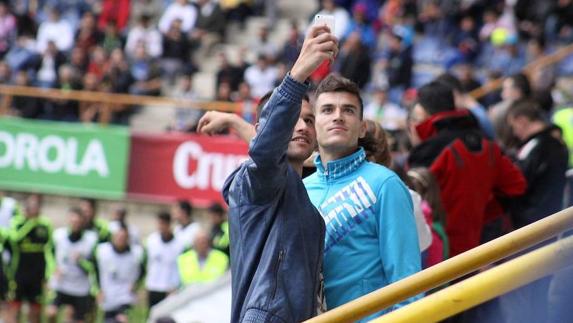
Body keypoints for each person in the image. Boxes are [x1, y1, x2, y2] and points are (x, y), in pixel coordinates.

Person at [212, 25, 338, 322]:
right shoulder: (254, 181)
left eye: (309, 120)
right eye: (293, 118)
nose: (303, 126)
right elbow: (266, 150)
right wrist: (297, 76)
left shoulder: (299, 195)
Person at [303, 74, 421, 320]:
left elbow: (407, 280)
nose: (338, 116)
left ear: (362, 127)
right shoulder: (300, 191)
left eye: (348, 110)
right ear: (314, 126)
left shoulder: (385, 184)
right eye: (327, 110)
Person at [408, 80, 527, 257]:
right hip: (474, 250)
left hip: (434, 252)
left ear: (423, 112)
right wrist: (482, 215)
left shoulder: (428, 151)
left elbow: (411, 207)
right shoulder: (487, 145)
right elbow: (516, 185)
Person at [5, 194, 53, 323]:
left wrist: (48, 274)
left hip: (37, 275)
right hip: (19, 273)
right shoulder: (17, 222)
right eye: (30, 205)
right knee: (14, 308)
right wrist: (31, 223)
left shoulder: (45, 224)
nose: (33, 208)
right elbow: (15, 239)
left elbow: (49, 250)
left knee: (35, 311)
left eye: (36, 205)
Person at [47, 208, 98, 323]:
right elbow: (49, 253)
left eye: (77, 222)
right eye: (72, 221)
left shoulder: (90, 240)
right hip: (61, 284)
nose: (75, 224)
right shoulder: (58, 235)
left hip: (80, 288)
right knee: (51, 312)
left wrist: (80, 261)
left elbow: (93, 267)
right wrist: (53, 269)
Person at [92, 224, 145, 323]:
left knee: (122, 319)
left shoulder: (136, 254)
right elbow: (94, 271)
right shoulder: (102, 251)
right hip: (108, 296)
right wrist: (98, 290)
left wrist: (136, 285)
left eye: (123, 238)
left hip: (126, 296)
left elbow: (143, 271)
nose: (121, 240)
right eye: (118, 237)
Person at [145, 212, 185, 309]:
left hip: (170, 288)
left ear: (169, 225)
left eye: (163, 224)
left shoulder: (179, 244)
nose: (161, 227)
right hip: (153, 286)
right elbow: (148, 262)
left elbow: (180, 266)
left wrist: (176, 285)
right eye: (159, 223)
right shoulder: (151, 240)